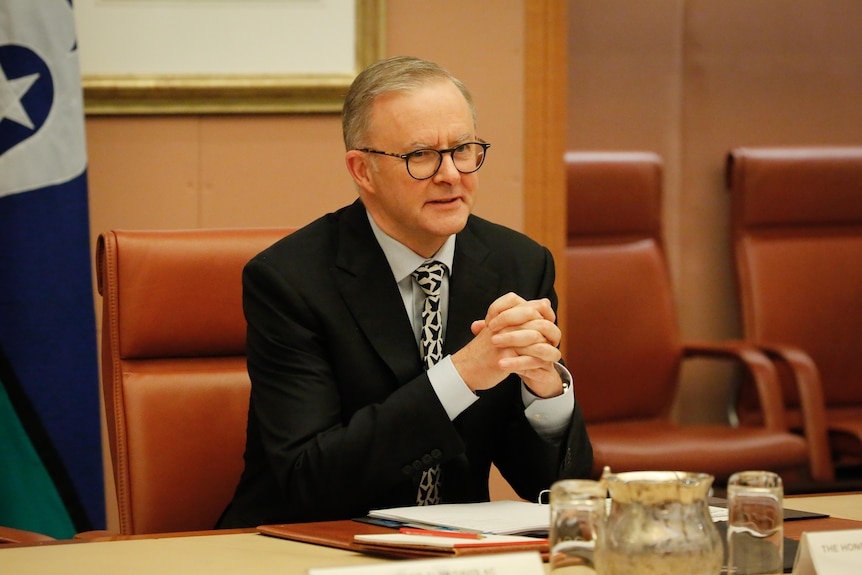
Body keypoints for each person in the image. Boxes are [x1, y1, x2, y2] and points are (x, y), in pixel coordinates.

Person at [217, 56, 592, 528]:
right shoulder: (290, 281)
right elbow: (308, 478)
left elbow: (557, 489)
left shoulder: (518, 264)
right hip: (304, 542)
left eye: (463, 149)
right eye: (420, 156)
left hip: (451, 550)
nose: (451, 174)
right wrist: (461, 375)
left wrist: (546, 394)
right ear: (363, 170)